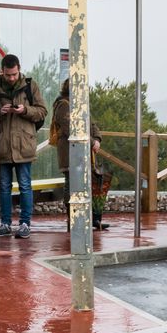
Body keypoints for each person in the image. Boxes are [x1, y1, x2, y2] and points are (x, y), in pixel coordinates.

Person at [0, 54, 47, 239]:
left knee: (25, 185)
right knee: (3, 187)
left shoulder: (30, 86)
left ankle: (25, 223)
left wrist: (24, 110)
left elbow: (42, 111)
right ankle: (5, 223)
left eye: (14, 74)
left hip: (24, 145)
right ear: (2, 71)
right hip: (2, 145)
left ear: (19, 69)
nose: (11, 78)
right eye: (8, 75)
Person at [52, 79, 108, 231]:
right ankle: (73, 218)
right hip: (69, 154)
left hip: (83, 153)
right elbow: (70, 129)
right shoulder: (63, 105)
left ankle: (92, 218)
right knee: (71, 185)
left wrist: (97, 138)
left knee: (89, 185)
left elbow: (92, 124)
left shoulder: (81, 103)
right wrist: (91, 142)